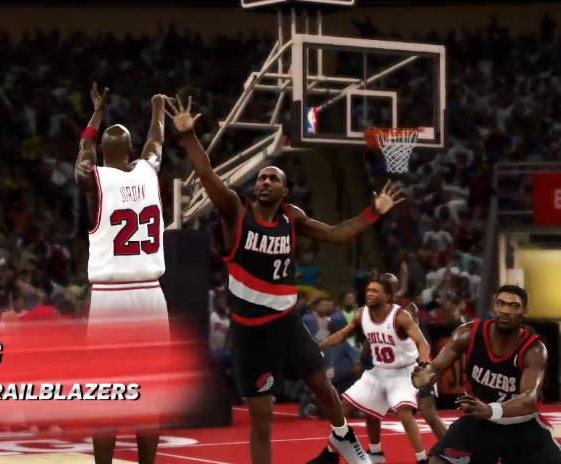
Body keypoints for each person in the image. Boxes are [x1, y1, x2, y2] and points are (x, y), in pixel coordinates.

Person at [166, 95, 404, 464]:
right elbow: (208, 176)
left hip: (286, 323)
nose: (264, 181)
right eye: (262, 177)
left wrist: (373, 213)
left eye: (272, 178)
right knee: (262, 420)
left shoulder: (292, 218)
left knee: (321, 384)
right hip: (250, 334)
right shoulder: (236, 212)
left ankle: (343, 436)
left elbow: (337, 234)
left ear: (284, 191)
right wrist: (188, 136)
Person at [74, 82, 167, 464]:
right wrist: (158, 108)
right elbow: (156, 143)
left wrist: (97, 114)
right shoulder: (147, 171)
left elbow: (83, 153)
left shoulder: (96, 180)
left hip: (112, 298)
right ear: (130, 151)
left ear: (103, 153)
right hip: (150, 294)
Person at [412, 285, 561, 464]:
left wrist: (491, 410)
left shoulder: (534, 350)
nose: (505, 310)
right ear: (493, 306)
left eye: (513, 306)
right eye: (500, 303)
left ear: (524, 311)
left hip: (521, 424)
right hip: (478, 421)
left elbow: (529, 399)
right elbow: (436, 367)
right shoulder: (467, 334)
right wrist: (424, 376)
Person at [311, 276, 431, 464]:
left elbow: (423, 344)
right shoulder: (362, 314)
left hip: (403, 371)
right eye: (368, 290)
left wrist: (423, 366)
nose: (369, 293)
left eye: (374, 291)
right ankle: (368, 453)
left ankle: (422, 460)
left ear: (387, 296)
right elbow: (343, 334)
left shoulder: (400, 316)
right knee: (345, 408)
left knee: (404, 413)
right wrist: (319, 346)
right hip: (380, 370)